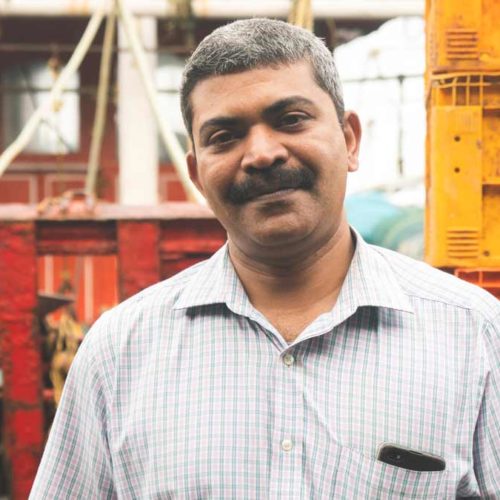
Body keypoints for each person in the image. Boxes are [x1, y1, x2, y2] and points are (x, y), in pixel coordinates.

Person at [31, 18, 499, 499]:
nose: (261, 154)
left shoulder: (473, 334)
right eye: (224, 136)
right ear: (196, 173)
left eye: (291, 119)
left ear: (350, 139)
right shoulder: (119, 352)